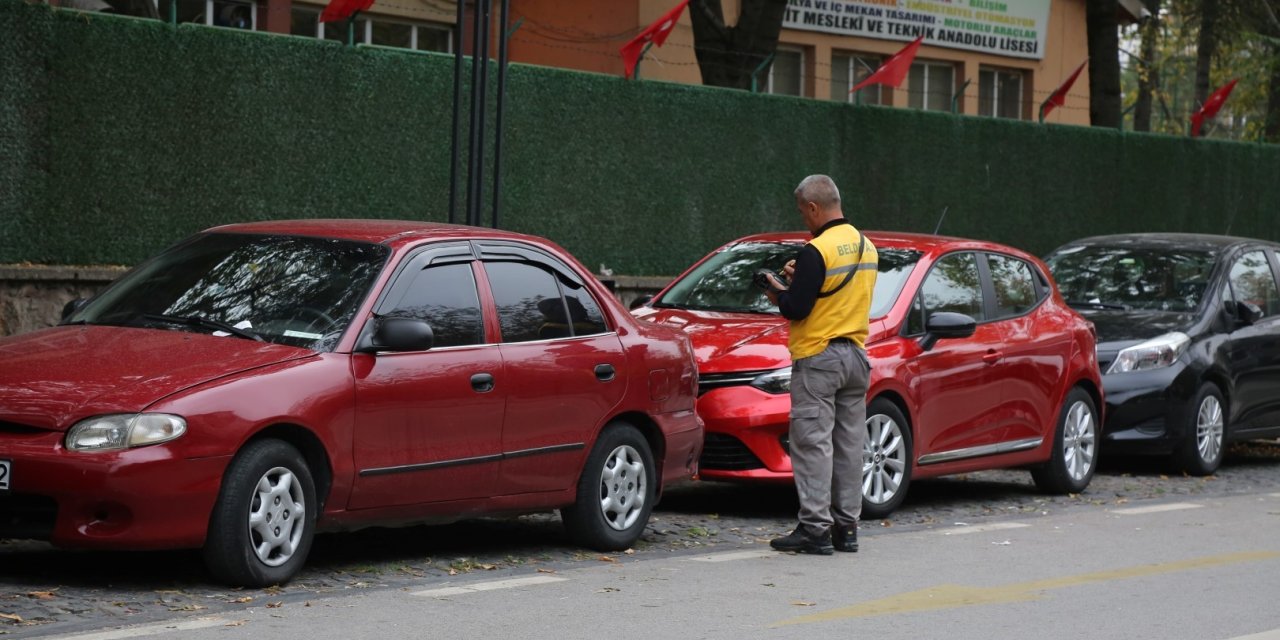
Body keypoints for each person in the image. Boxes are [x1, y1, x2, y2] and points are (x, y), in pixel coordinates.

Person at [760, 174, 877, 555]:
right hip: (856, 357)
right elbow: (831, 293)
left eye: (802, 212)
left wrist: (776, 290)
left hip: (819, 358)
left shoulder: (816, 250)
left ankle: (814, 530)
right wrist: (802, 282)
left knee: (812, 444)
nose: (803, 220)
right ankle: (848, 528)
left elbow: (798, 307)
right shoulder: (867, 246)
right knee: (849, 445)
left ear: (814, 207)